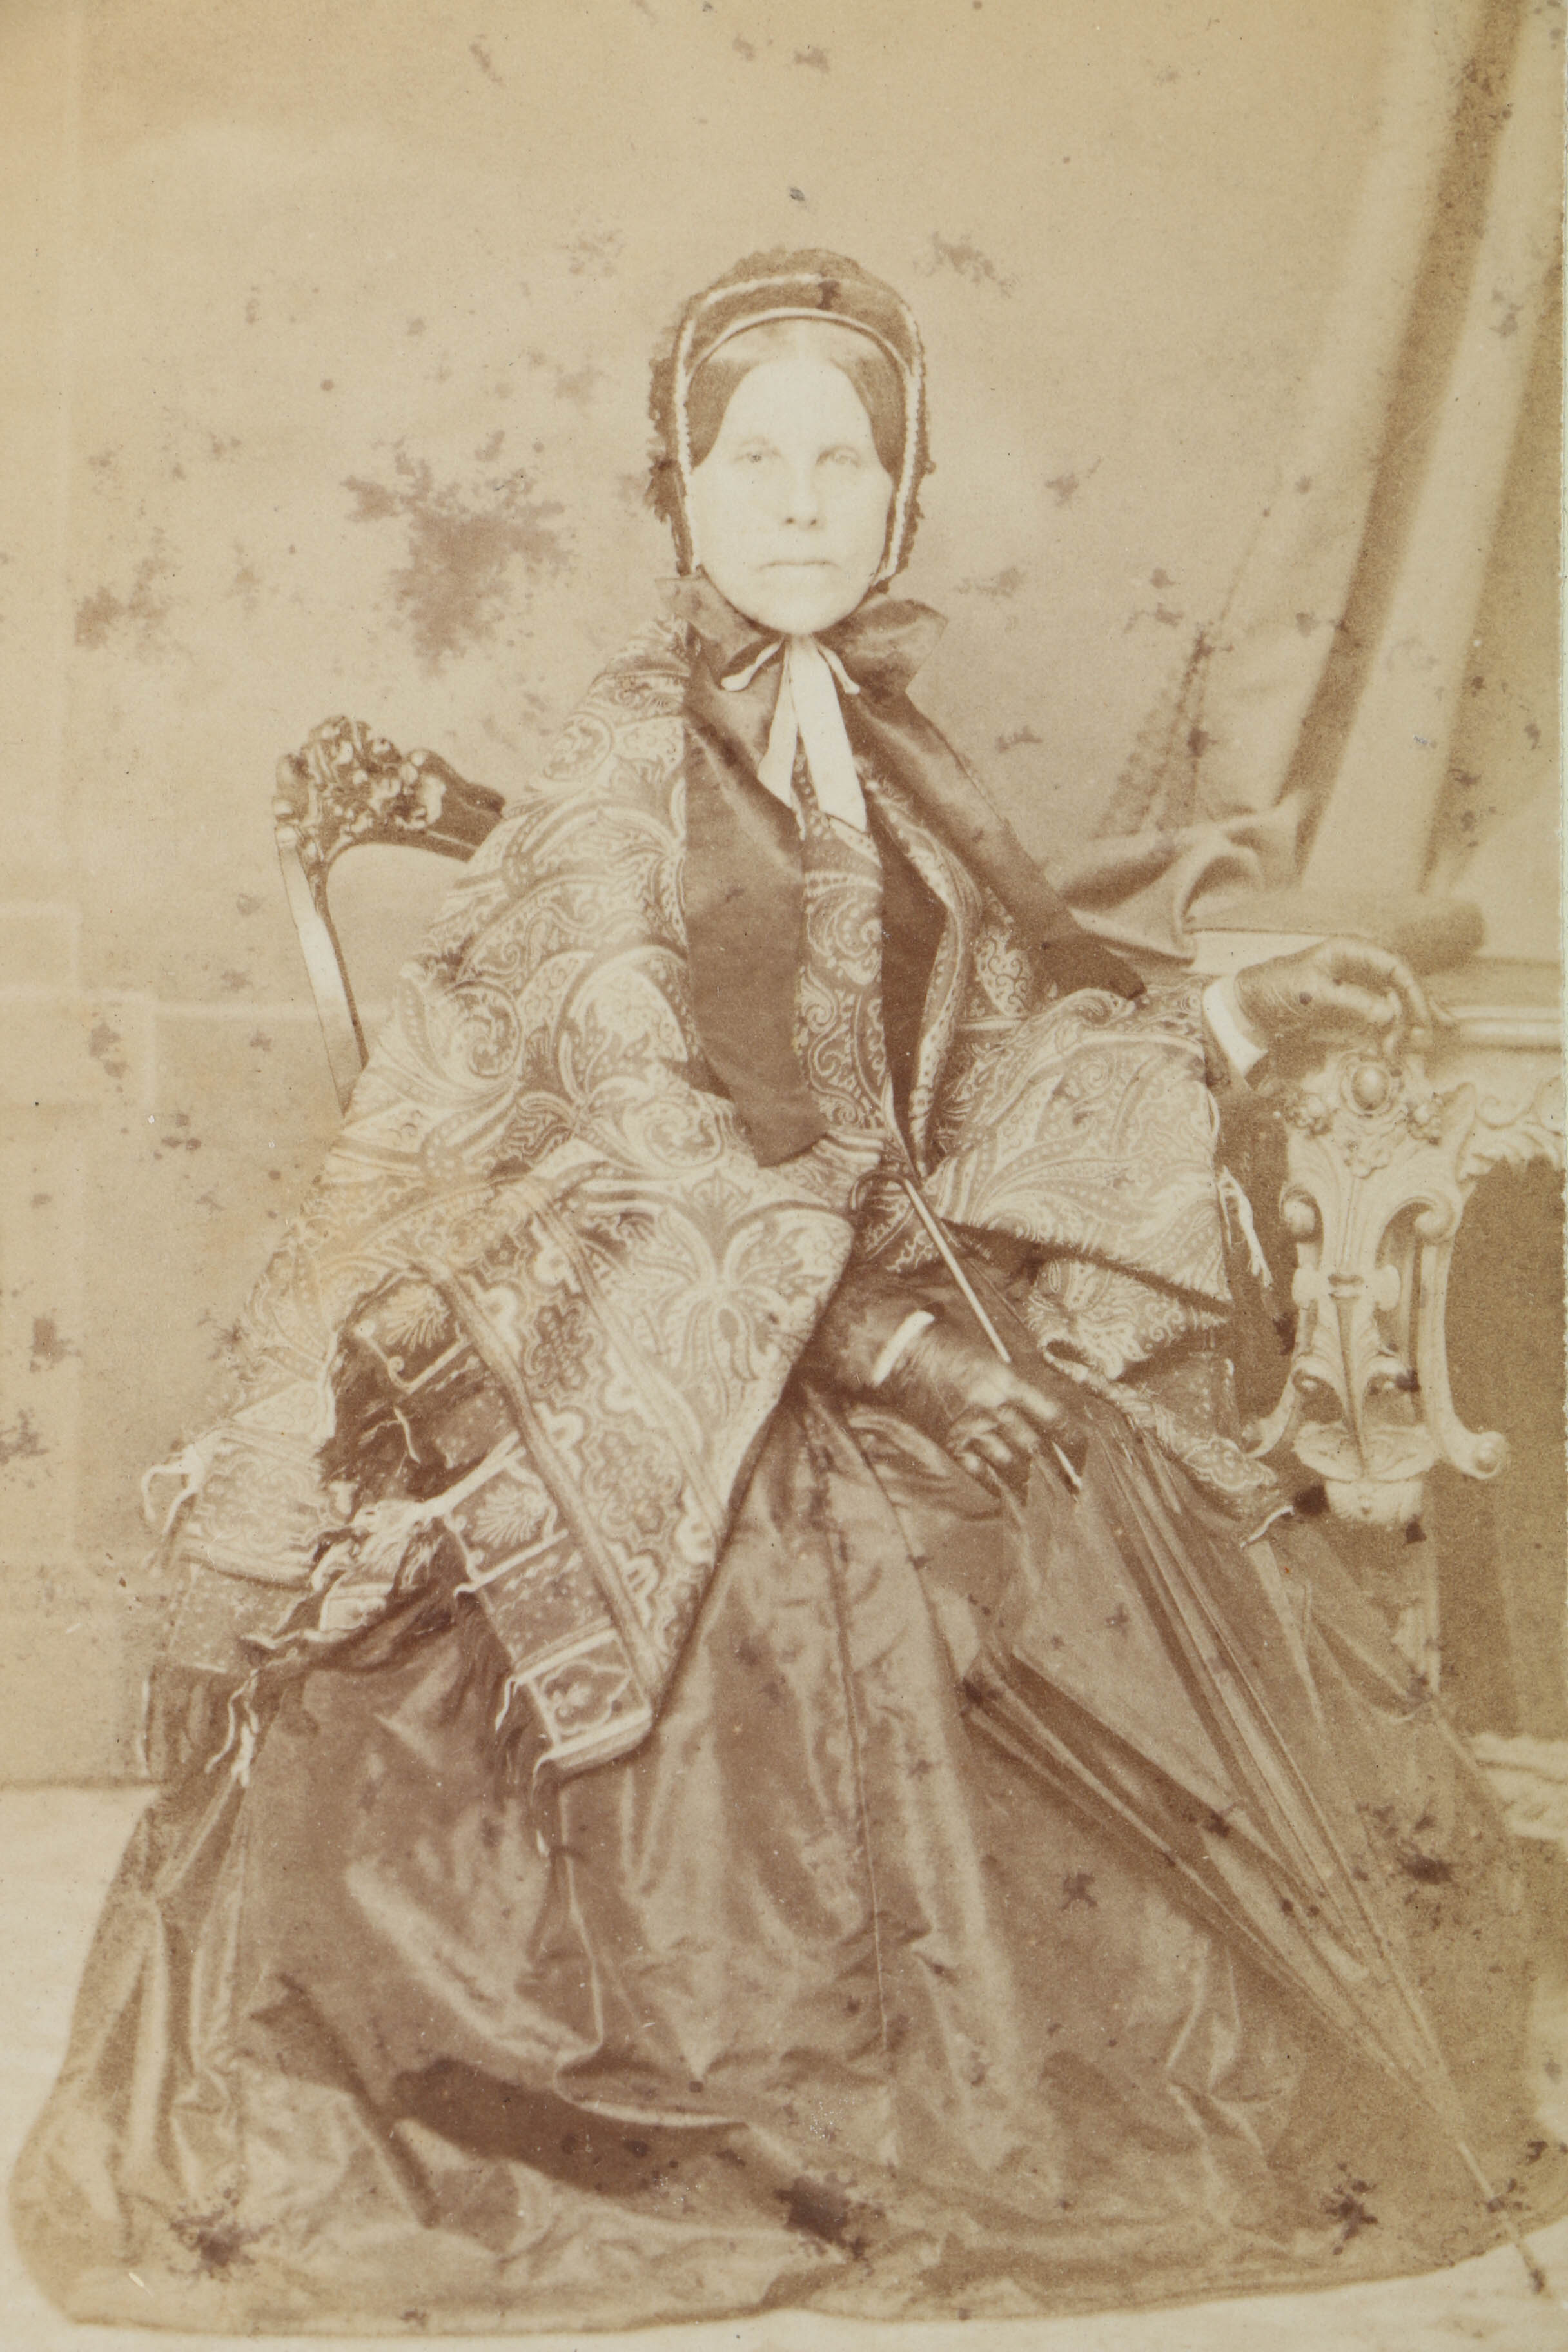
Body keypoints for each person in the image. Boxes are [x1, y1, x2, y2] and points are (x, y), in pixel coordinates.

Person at [12, 249, 1563, 2333]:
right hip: (671, 1353)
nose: (805, 503)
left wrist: (1099, 1157)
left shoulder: (902, 762)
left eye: (850, 461)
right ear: (681, 491)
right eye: (760, 461)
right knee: (887, 1577)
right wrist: (898, 1349)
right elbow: (630, 1147)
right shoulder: (615, 780)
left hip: (896, 1302)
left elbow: (998, 1015)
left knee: (1128, 1543)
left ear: (901, 502)